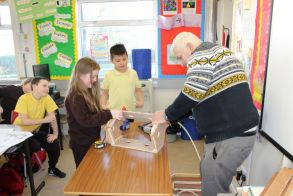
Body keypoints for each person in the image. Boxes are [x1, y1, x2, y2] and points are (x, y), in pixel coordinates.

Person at [152, 32, 259, 196]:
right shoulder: (220, 52)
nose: (181, 63)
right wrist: (171, 119)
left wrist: (167, 115)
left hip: (231, 135)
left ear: (189, 47)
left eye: (180, 57)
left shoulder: (201, 56)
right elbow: (197, 97)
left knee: (212, 186)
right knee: (206, 169)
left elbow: (192, 93)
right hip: (235, 131)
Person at [65, 57, 123, 167]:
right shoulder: (75, 96)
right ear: (80, 75)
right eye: (92, 76)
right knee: (84, 172)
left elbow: (94, 112)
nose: (95, 79)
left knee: (95, 168)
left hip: (92, 139)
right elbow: (85, 120)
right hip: (81, 143)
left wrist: (108, 111)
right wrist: (109, 114)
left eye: (96, 76)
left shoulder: (88, 90)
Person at [13, 76, 66, 178]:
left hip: (34, 132)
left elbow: (52, 117)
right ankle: (22, 167)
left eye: (48, 86)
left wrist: (55, 134)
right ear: (34, 86)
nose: (47, 88)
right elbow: (25, 121)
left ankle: (52, 168)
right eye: (44, 86)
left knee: (54, 144)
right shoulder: (23, 99)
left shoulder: (46, 97)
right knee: (35, 146)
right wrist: (45, 120)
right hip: (20, 133)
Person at [100, 43, 144, 111]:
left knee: (129, 122)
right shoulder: (108, 74)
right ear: (112, 61)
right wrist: (103, 105)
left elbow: (138, 90)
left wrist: (141, 102)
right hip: (113, 112)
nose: (121, 62)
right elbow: (104, 92)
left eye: (124, 59)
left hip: (130, 110)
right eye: (118, 61)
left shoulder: (133, 73)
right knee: (114, 122)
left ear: (127, 57)